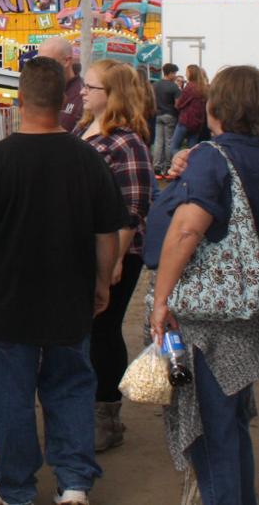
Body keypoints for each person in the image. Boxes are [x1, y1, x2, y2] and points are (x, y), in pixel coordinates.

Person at [0, 56, 125, 505]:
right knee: (70, 390)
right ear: (62, 97)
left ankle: (16, 485)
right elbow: (108, 233)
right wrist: (102, 283)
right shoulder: (87, 158)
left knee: (12, 398)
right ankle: (75, 483)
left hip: (9, 302)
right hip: (70, 298)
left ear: (20, 99)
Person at [145, 65, 259, 505]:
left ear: (218, 106)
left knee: (209, 429)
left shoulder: (215, 155)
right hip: (258, 291)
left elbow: (187, 231)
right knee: (230, 419)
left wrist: (160, 300)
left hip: (213, 305)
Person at [76, 59, 153, 454]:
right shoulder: (82, 130)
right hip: (84, 248)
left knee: (104, 329)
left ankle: (107, 415)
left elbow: (135, 208)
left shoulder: (126, 141)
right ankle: (85, 407)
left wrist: (116, 259)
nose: (83, 92)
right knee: (87, 329)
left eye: (91, 87)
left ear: (113, 95)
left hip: (118, 251)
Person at [40, 37, 84, 132]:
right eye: (39, 62)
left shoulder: (83, 94)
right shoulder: (39, 90)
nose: (42, 68)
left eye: (47, 62)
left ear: (67, 61)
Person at [170, 66, 209, 155]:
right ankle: (193, 165)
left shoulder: (190, 86)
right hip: (198, 122)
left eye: (187, 72)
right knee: (193, 149)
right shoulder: (203, 88)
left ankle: (180, 163)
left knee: (174, 147)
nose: (185, 74)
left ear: (191, 74)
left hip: (185, 121)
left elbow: (179, 104)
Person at [152, 63, 181, 172]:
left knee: (158, 142)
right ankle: (168, 166)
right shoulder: (174, 86)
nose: (175, 76)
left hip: (158, 115)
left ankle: (157, 166)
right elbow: (178, 104)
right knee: (169, 142)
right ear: (170, 73)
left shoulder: (155, 85)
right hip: (170, 115)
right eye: (174, 73)